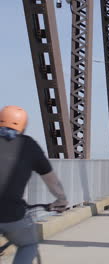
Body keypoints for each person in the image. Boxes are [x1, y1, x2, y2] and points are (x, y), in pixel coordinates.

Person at [0, 105, 68, 264]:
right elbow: (51, 180)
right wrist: (61, 200)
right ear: (23, 125)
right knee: (28, 244)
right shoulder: (29, 145)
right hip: (12, 215)